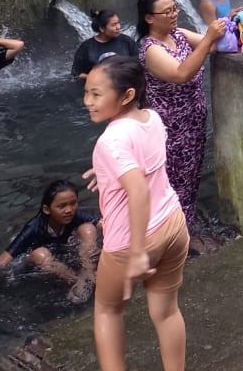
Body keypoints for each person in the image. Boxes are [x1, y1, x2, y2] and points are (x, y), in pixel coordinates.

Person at [82, 56, 191, 371]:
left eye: (96, 94)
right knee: (167, 312)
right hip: (173, 224)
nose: (87, 101)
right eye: (87, 91)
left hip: (131, 242)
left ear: (126, 95)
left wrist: (139, 253)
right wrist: (104, 171)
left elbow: (138, 190)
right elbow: (147, 161)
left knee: (107, 310)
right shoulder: (151, 118)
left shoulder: (110, 141)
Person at [136, 0, 226, 229]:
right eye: (167, 11)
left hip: (193, 123)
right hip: (170, 131)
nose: (175, 14)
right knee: (173, 182)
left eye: (175, 8)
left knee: (191, 177)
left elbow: (213, 47)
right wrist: (208, 38)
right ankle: (171, 233)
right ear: (149, 18)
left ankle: (185, 229)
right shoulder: (151, 49)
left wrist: (229, 24)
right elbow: (181, 74)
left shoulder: (178, 34)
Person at [0, 180, 100, 313]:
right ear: (47, 209)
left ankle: (88, 274)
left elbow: (105, 224)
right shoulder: (34, 227)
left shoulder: (76, 215)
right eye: (61, 206)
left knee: (88, 228)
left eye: (73, 203)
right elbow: (0, 262)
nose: (69, 210)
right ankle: (76, 282)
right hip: (40, 264)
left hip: (66, 254)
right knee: (40, 253)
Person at [73, 9, 139, 80]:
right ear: (102, 28)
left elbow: (137, 65)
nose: (118, 27)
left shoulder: (126, 41)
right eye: (114, 25)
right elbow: (76, 74)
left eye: (118, 23)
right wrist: (98, 78)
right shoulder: (86, 47)